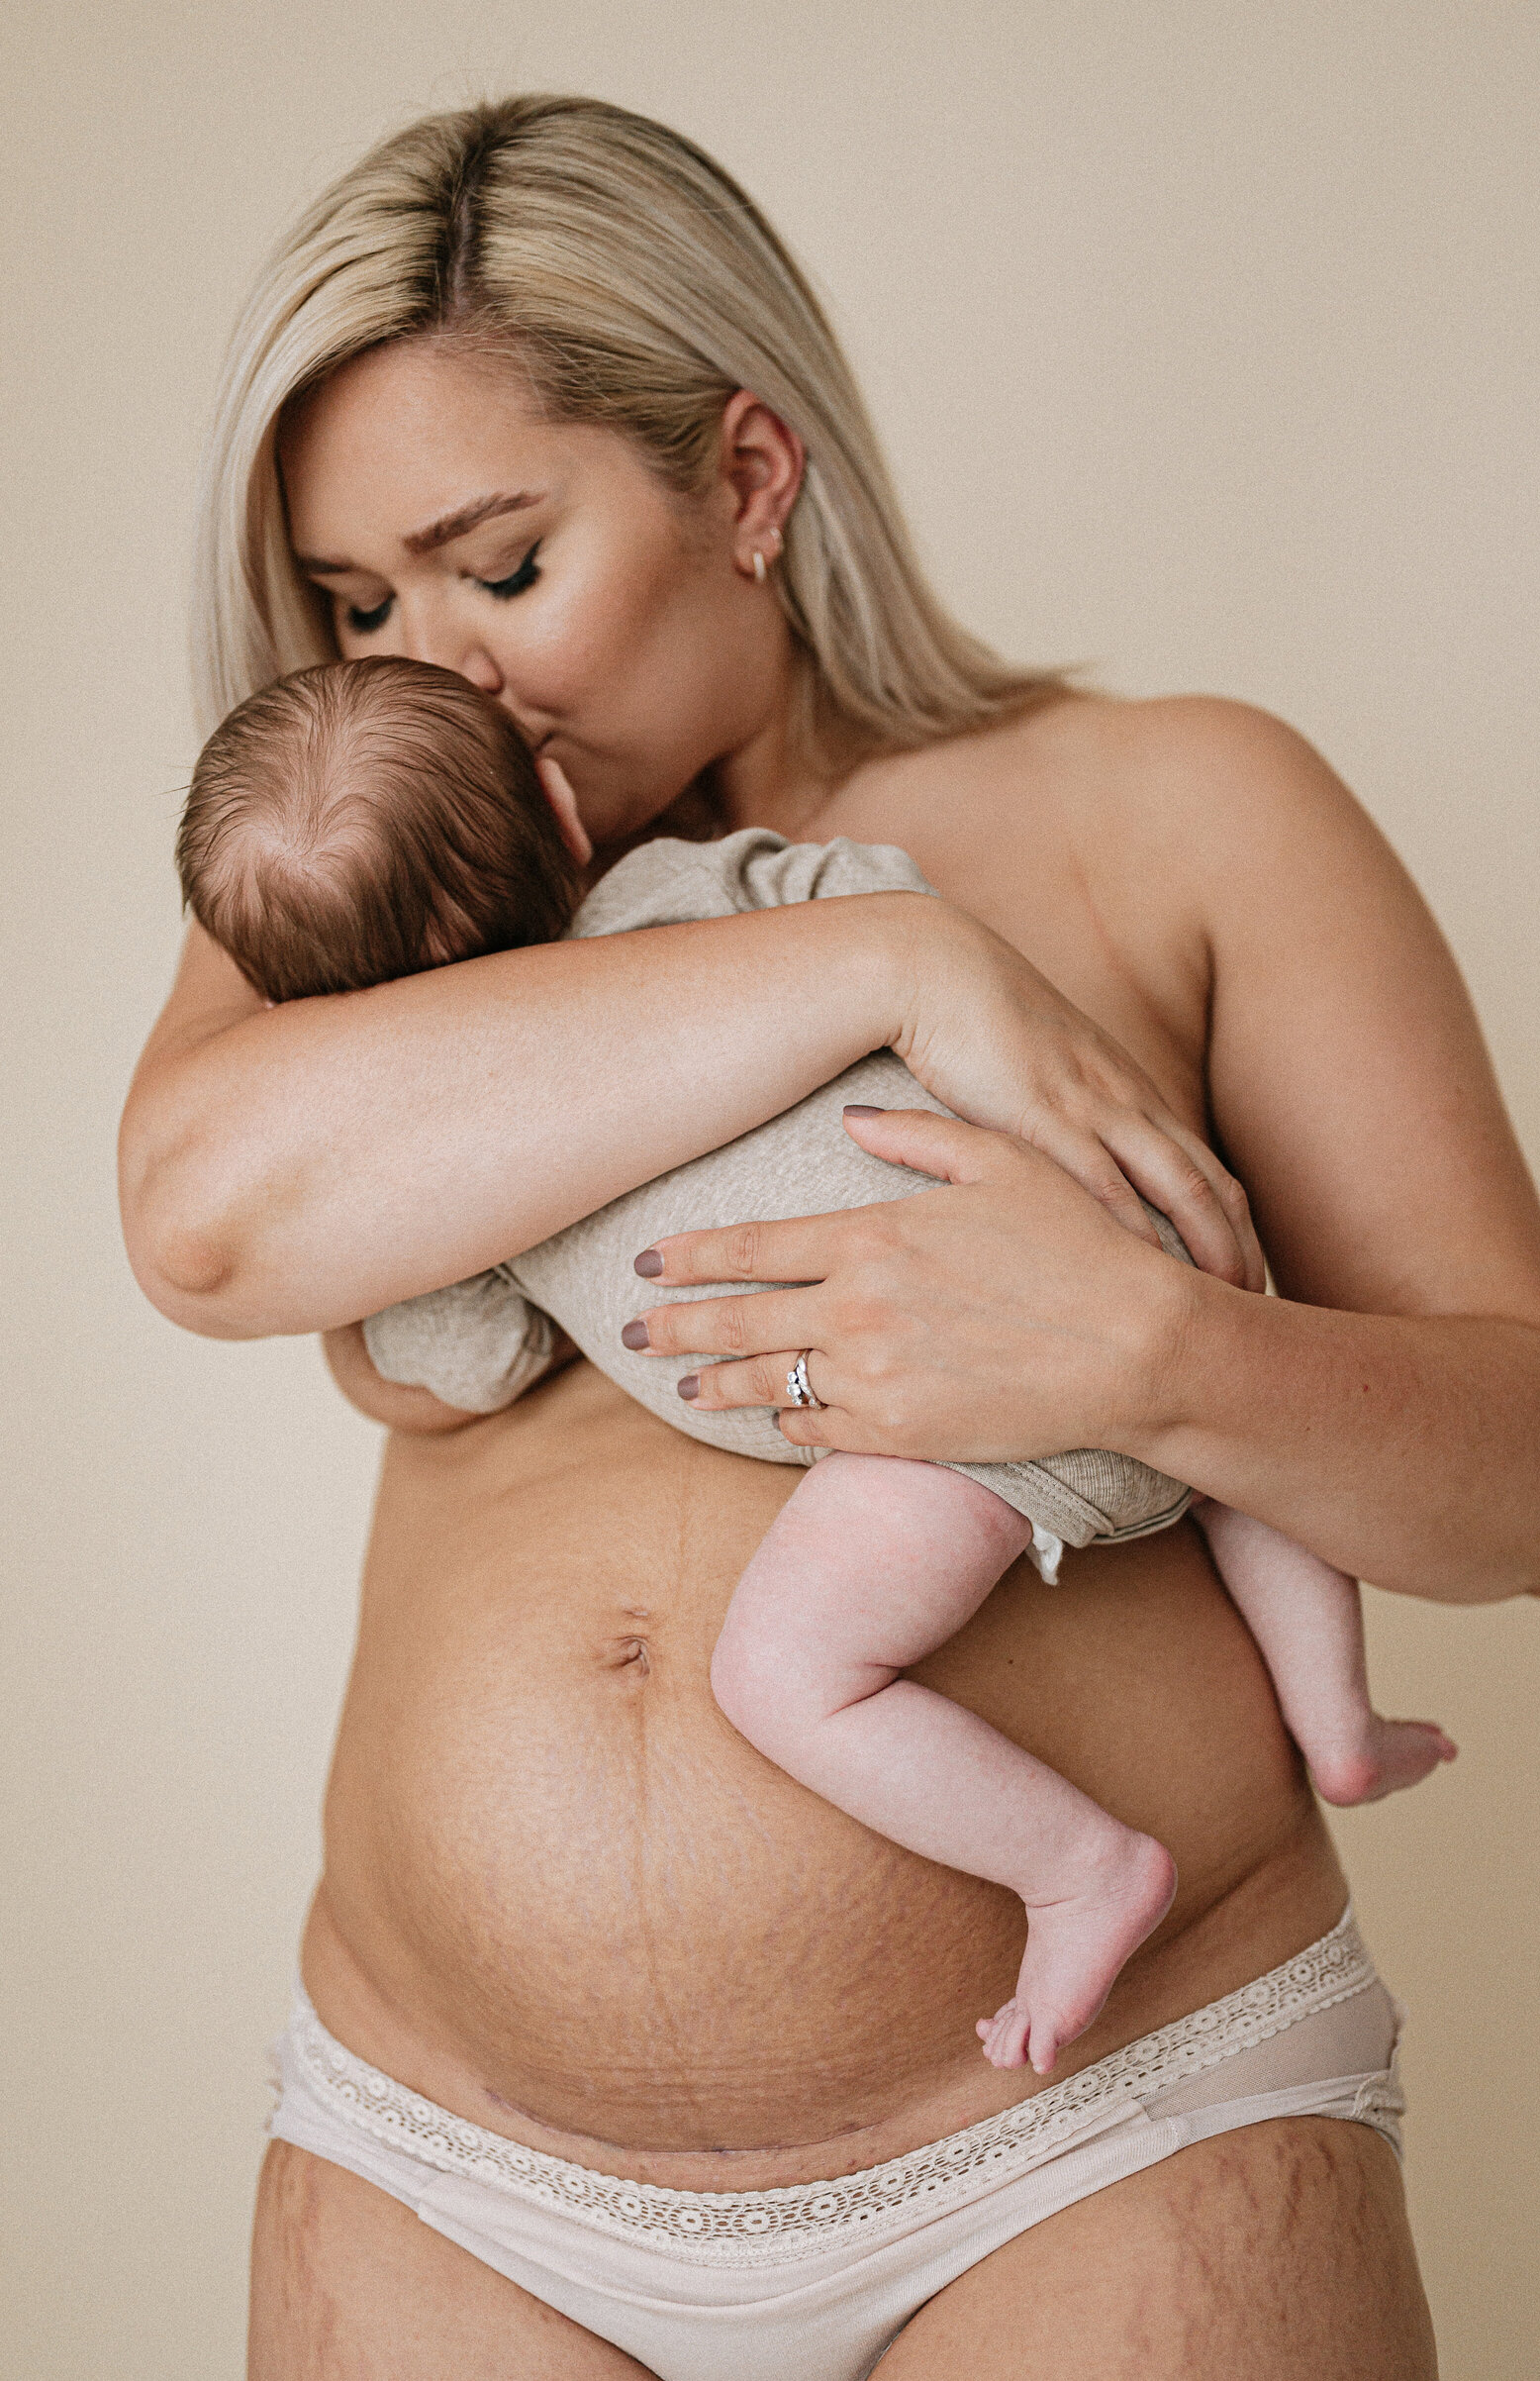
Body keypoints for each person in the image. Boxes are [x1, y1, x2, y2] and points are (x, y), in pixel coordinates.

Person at [117, 94, 1540, 2379]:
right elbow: (202, 1225)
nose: (433, 675)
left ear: (743, 479)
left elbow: (1539, 1486)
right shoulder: (389, 898)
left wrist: (1155, 1358)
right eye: (354, 606)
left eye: (497, 566)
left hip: (1105, 2140)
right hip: (442, 2174)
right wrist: (874, 970)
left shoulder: (1177, 806)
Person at [178, 652, 1456, 2074]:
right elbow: (864, 881)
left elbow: (463, 1364)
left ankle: (1079, 1866)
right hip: (1101, 1252)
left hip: (948, 1431)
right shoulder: (709, 890)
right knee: (1226, 1436)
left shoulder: (457, 1170)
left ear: (316, 1016)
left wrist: (385, 1303)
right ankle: (1334, 1716)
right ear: (554, 797)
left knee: (785, 1674)